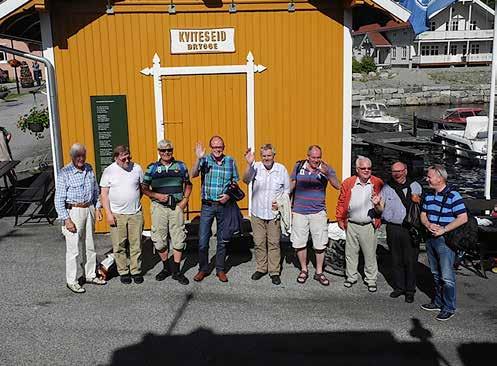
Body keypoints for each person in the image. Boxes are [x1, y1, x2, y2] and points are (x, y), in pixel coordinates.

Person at [54, 143, 106, 293]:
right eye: (77, 156)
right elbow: (58, 200)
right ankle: (72, 280)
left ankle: (90, 274)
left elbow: (96, 190)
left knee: (90, 245)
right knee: (73, 249)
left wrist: (97, 208)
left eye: (83, 155)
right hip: (73, 211)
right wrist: (66, 219)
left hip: (88, 208)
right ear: (72, 157)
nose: (81, 159)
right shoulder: (65, 173)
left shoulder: (89, 169)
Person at [420, 164, 468, 321]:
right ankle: (438, 301)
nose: (427, 178)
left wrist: (444, 229)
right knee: (435, 273)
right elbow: (423, 214)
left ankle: (449, 307)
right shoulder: (428, 195)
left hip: (445, 240)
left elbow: (463, 218)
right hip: (431, 238)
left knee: (447, 276)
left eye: (430, 176)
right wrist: (428, 225)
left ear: (440, 178)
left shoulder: (454, 196)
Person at [142, 139, 192, 285]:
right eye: (163, 151)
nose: (166, 153)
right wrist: (156, 195)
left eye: (169, 150)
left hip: (176, 207)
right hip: (158, 208)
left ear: (172, 151)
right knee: (159, 239)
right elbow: (144, 188)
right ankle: (166, 268)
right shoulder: (151, 168)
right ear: (159, 151)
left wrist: (185, 200)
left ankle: (176, 271)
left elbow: (188, 185)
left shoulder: (181, 166)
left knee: (179, 237)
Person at [190, 135, 239, 283]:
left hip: (224, 205)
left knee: (222, 240)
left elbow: (235, 182)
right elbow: (193, 174)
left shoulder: (230, 161)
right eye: (215, 147)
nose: (217, 149)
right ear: (211, 148)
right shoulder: (204, 160)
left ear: (223, 147)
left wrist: (229, 196)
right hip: (207, 206)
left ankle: (220, 269)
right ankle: (203, 269)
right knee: (203, 240)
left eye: (220, 147)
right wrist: (198, 158)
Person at [290, 145, 340, 286]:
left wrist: (328, 174)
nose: (316, 160)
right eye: (313, 157)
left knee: (320, 243)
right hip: (299, 211)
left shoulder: (326, 168)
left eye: (318, 157)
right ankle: (304, 269)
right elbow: (292, 184)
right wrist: (284, 200)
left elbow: (337, 185)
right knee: (299, 242)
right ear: (308, 156)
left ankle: (319, 272)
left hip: (318, 211)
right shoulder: (299, 166)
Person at [373, 161, 422, 303]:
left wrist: (418, 201)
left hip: (410, 228)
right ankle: (399, 287)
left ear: (405, 171)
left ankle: (410, 290)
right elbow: (380, 209)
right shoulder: (387, 188)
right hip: (393, 227)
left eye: (399, 171)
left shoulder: (415, 186)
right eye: (394, 171)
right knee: (396, 259)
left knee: (410, 260)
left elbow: (420, 208)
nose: (396, 174)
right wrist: (376, 204)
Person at [243, 144, 290, 285]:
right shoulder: (255, 167)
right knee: (259, 242)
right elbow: (245, 180)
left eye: (269, 155)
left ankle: (274, 271)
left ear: (273, 156)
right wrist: (249, 164)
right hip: (257, 213)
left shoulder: (281, 169)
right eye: (264, 156)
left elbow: (287, 191)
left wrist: (280, 203)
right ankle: (261, 268)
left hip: (274, 214)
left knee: (274, 243)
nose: (266, 158)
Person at [336, 156, 383, 292]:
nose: (366, 170)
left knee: (370, 254)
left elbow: (382, 206)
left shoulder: (377, 183)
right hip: (351, 223)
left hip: (369, 224)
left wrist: (378, 204)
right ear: (357, 169)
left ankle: (371, 279)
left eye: (369, 168)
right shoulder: (348, 183)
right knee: (350, 253)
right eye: (363, 168)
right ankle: (351, 277)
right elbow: (341, 202)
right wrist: (340, 218)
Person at [100, 145, 144, 285]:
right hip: (117, 214)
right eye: (123, 157)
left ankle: (135, 270)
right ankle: (123, 271)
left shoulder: (137, 168)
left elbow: (141, 189)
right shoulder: (109, 171)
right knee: (119, 245)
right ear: (116, 158)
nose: (127, 159)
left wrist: (133, 200)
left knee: (136, 244)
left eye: (128, 156)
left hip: (135, 213)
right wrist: (108, 214)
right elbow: (104, 194)